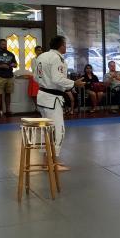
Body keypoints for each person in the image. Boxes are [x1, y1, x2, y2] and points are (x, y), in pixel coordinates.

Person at [34, 35, 85, 170]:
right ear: (61, 45)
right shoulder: (57, 58)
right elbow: (57, 79)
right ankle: (53, 163)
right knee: (57, 130)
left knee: (46, 130)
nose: (66, 47)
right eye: (65, 44)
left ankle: (46, 162)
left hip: (42, 96)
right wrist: (74, 83)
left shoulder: (41, 56)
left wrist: (47, 83)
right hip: (52, 98)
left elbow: (35, 77)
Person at [0, 38, 18, 117]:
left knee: (8, 94)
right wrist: (1, 66)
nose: (5, 46)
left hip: (9, 76)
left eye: (5, 44)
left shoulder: (10, 54)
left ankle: (8, 110)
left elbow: (16, 64)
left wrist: (13, 65)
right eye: (3, 44)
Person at [28, 45, 43, 111]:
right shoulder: (33, 60)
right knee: (34, 94)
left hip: (43, 79)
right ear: (35, 51)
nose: (40, 51)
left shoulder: (44, 59)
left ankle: (41, 107)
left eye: (41, 50)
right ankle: (37, 107)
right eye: (38, 50)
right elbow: (34, 69)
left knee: (41, 94)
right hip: (35, 78)